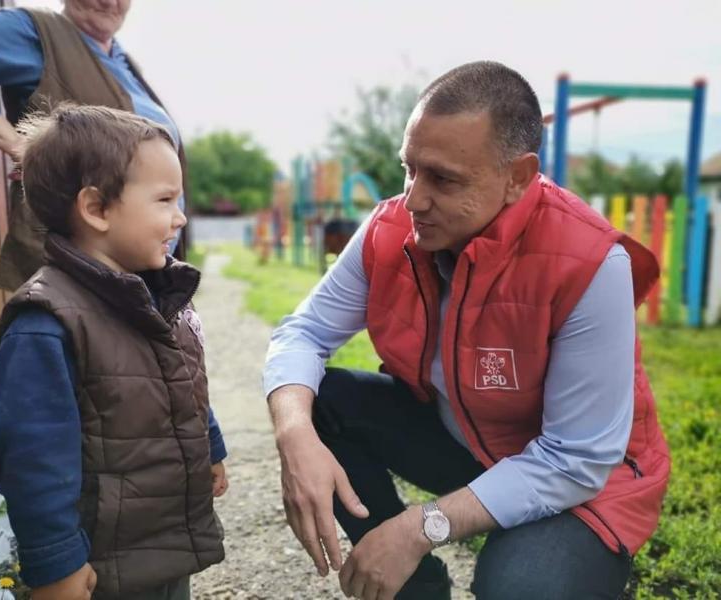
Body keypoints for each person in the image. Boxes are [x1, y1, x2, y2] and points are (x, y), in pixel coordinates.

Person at [264, 61, 670, 600]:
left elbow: (577, 460)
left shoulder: (591, 264)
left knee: (521, 589)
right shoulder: (392, 232)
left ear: (518, 177)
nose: (413, 199)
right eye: (409, 169)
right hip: (469, 446)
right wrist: (295, 436)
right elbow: (304, 333)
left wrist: (418, 529)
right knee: (320, 401)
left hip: (584, 488)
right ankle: (417, 591)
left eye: (443, 178)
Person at [0, 105, 226, 600]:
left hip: (158, 537)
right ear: (96, 209)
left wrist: (212, 446)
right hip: (100, 559)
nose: (180, 216)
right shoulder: (46, 323)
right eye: (164, 199)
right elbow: (32, 461)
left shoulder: (159, 293)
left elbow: (182, 380)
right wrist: (56, 565)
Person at [0, 0, 189, 291]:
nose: (110, 2)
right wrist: (23, 146)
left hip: (140, 270)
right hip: (83, 270)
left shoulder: (121, 59)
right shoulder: (38, 32)